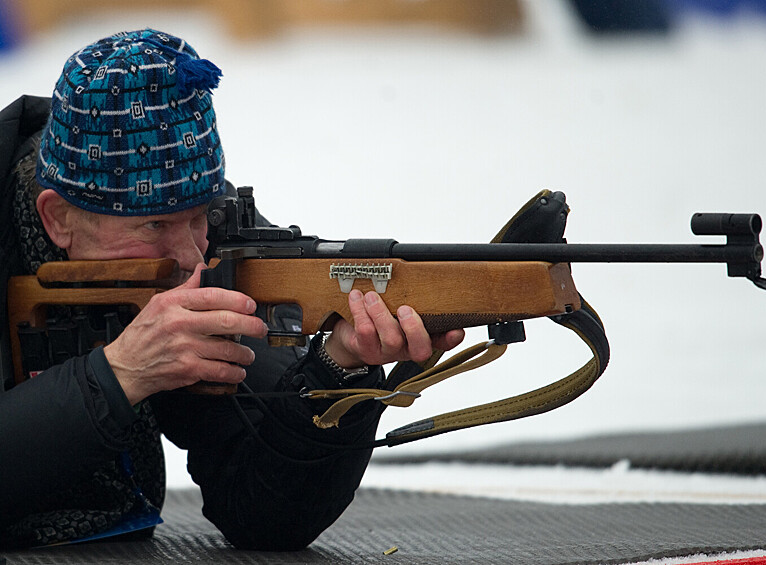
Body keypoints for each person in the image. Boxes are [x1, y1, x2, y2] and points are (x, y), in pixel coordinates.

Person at [0, 29, 464, 550]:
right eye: (153, 227)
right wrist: (118, 377)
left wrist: (337, 370)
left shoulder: (224, 245)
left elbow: (266, 517)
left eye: (199, 218)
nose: (193, 257)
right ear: (58, 218)